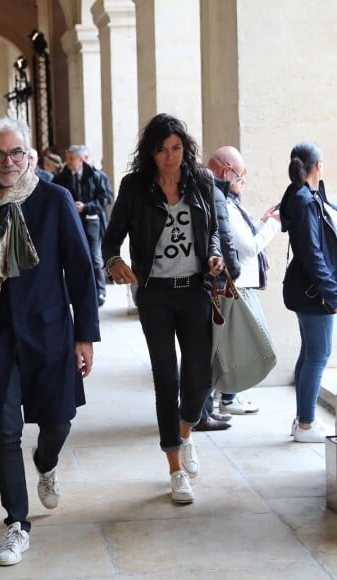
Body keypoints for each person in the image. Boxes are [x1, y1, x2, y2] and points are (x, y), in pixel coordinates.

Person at [0, 116, 100, 566]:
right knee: (3, 429)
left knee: (58, 421)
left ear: (30, 156)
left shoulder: (54, 200)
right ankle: (16, 522)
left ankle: (47, 460)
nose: (9, 161)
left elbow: (80, 270)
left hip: (50, 331)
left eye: (17, 152)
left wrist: (85, 335)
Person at [102, 113, 224, 504]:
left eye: (176, 148)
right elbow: (111, 240)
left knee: (199, 380)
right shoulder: (135, 187)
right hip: (155, 294)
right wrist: (114, 263)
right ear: (150, 152)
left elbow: (216, 230)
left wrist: (216, 255)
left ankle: (185, 433)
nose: (170, 157)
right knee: (166, 379)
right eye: (161, 150)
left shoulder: (201, 181)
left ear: (185, 149)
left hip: (194, 292)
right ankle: (174, 469)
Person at [208, 146, 281, 416]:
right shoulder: (223, 202)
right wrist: (274, 223)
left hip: (237, 285)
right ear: (227, 172)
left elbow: (242, 240)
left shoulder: (226, 200)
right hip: (234, 287)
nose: (243, 183)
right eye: (240, 178)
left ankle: (223, 398)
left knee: (229, 346)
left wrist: (262, 220)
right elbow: (249, 248)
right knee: (240, 346)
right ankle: (224, 398)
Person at [279, 141, 337, 443]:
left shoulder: (304, 196)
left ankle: (303, 419)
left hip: (309, 290)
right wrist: (333, 294)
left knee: (309, 354)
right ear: (318, 165)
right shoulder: (304, 201)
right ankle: (306, 425)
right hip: (316, 293)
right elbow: (313, 253)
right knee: (318, 355)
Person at [193, 155, 242, 432]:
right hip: (214, 282)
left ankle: (203, 410)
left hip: (199, 281)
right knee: (205, 353)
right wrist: (232, 272)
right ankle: (200, 413)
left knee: (200, 352)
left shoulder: (195, 190)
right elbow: (224, 237)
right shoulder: (213, 193)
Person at [54, 144, 110, 306]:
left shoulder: (96, 176)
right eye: (68, 158)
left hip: (92, 222)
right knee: (72, 257)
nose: (68, 162)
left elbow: (106, 199)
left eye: (72, 159)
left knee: (94, 257)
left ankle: (99, 292)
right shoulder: (61, 177)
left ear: (81, 160)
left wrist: (85, 207)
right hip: (70, 223)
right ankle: (74, 292)